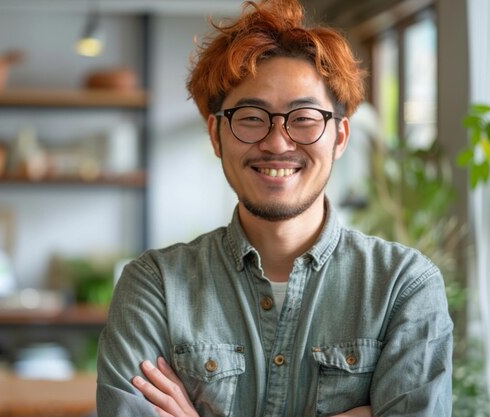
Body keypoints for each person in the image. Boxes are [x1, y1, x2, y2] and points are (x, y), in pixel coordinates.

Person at [96, 0, 453, 415]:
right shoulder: (155, 286)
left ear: (339, 136)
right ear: (217, 135)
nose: (278, 142)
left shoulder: (403, 287)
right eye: (251, 117)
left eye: (303, 117)